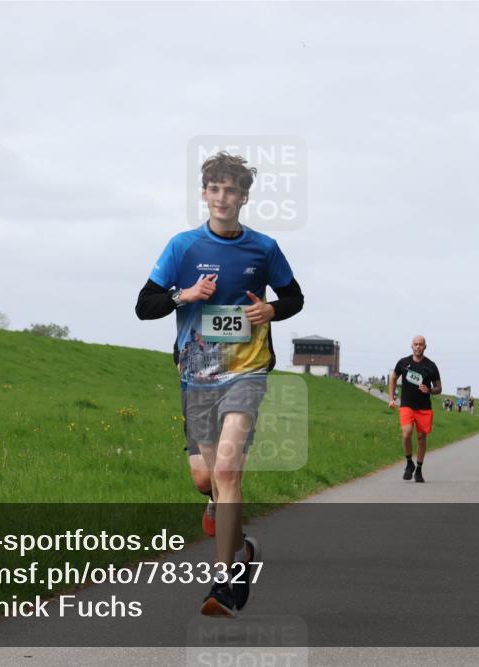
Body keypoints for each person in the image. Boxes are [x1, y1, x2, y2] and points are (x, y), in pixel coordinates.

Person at [135, 151, 304, 616]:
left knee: (227, 473)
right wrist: (182, 295)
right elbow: (144, 304)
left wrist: (271, 310)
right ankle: (240, 546)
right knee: (205, 478)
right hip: (197, 374)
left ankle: (225, 582)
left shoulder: (263, 249)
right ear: (204, 194)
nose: (223, 197)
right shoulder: (182, 247)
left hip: (247, 370)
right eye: (215, 189)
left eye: (232, 190)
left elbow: (294, 297)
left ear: (244, 198)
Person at [388, 336, 442, 483]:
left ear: (425, 347)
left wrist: (429, 389)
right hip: (407, 405)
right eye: (415, 344)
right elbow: (393, 378)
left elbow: (439, 388)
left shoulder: (431, 366)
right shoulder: (403, 363)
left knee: (421, 438)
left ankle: (418, 469)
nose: (418, 347)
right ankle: (408, 463)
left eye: (421, 345)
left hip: (424, 408)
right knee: (406, 434)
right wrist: (391, 399)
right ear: (411, 346)